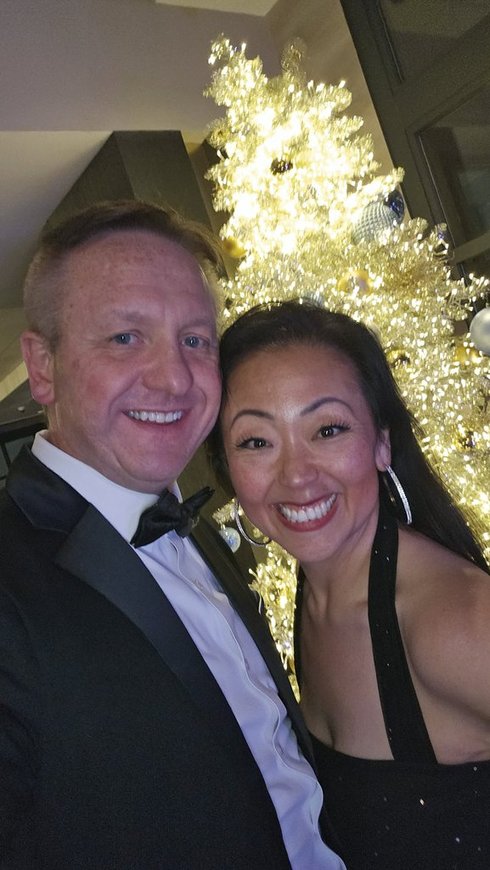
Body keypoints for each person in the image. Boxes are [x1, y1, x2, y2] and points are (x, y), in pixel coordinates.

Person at [0, 204, 346, 869]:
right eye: (126, 338)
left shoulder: (200, 528)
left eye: (196, 339)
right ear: (42, 367)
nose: (176, 379)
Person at [209, 298, 490, 870]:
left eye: (328, 429)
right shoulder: (312, 599)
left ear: (382, 442)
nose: (295, 475)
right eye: (256, 441)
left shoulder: (453, 619)